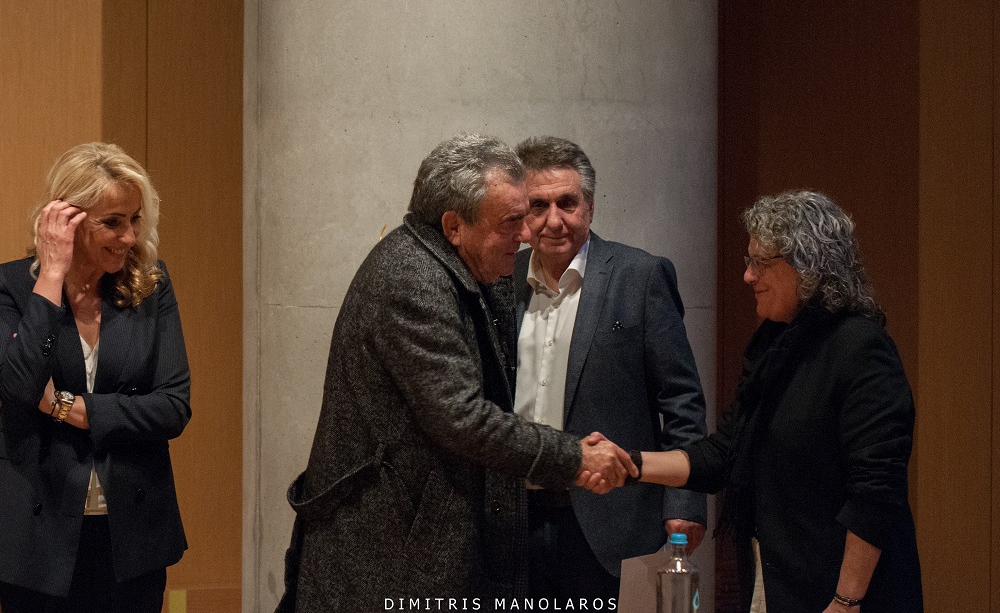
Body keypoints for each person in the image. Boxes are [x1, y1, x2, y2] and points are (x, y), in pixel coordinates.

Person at [277, 133, 636, 613]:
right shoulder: (411, 280)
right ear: (454, 226)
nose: (525, 235)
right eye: (512, 221)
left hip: (425, 546)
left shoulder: (470, 268)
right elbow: (463, 418)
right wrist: (574, 456)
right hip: (389, 554)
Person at [628, 190, 922, 612]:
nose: (747, 276)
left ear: (808, 266)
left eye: (760, 262)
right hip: (777, 582)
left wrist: (845, 600)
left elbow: (876, 492)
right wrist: (631, 464)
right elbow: (724, 454)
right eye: (748, 261)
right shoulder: (774, 342)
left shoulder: (860, 348)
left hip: (842, 595)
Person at [512, 136, 707, 600]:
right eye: (538, 206)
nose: (554, 220)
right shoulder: (503, 279)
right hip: (515, 517)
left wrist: (686, 500)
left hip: (607, 520)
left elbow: (681, 399)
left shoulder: (640, 276)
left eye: (567, 203)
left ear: (590, 207)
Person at [0, 142, 192, 612]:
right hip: (38, 536)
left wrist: (65, 407)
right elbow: (19, 389)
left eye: (135, 219)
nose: (129, 236)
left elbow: (173, 407)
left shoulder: (152, 285)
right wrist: (52, 275)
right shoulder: (12, 287)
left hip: (133, 534)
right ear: (67, 219)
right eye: (113, 222)